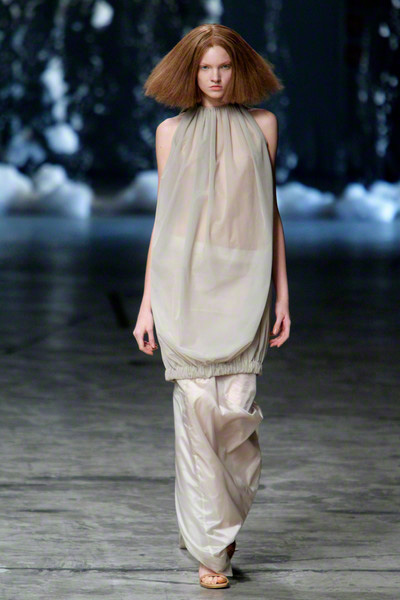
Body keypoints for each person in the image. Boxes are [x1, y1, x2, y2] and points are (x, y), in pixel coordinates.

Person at [133, 23, 291, 589]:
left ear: (238, 68)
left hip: (246, 283)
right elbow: (165, 219)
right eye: (205, 68)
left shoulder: (263, 125)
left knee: (236, 415)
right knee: (197, 414)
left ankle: (215, 525)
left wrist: (283, 294)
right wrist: (147, 304)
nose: (216, 77)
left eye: (223, 66)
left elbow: (271, 212)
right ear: (190, 72)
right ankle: (212, 550)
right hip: (184, 283)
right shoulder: (170, 133)